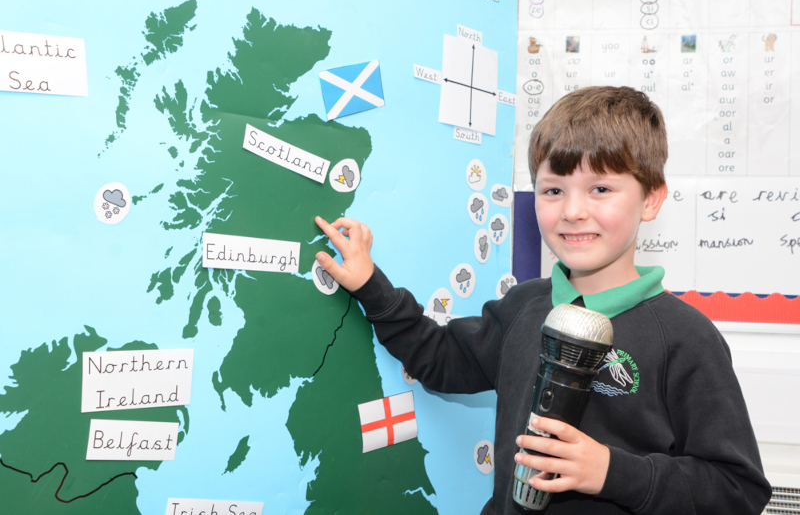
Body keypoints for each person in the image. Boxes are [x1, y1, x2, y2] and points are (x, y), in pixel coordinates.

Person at [313, 86, 771, 514]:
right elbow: (439, 358)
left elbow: (738, 489)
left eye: (600, 189)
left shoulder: (686, 338)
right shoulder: (524, 306)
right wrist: (370, 284)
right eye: (553, 190)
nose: (572, 211)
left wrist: (611, 472)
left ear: (650, 199)